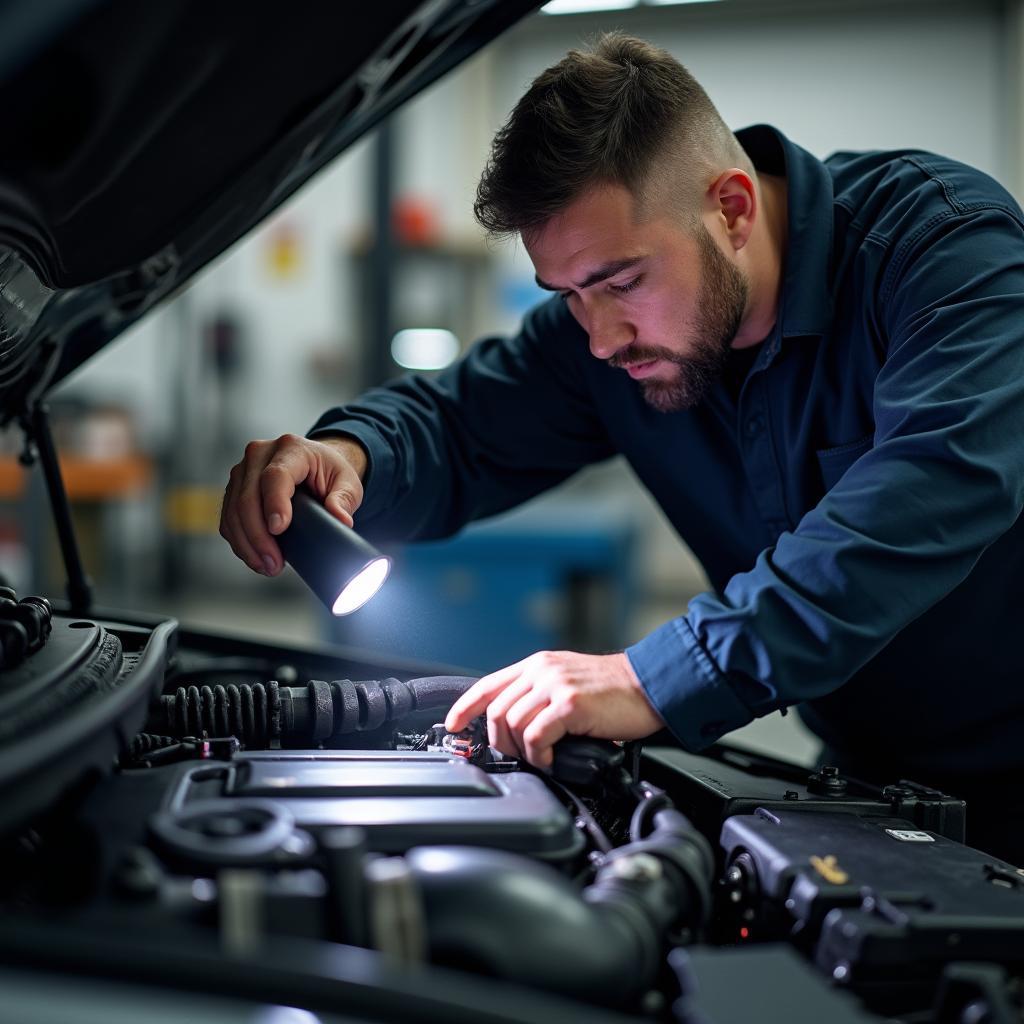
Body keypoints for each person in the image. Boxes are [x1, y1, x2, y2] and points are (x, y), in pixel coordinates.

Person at [220, 35, 1024, 861]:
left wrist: (652, 675)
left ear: (733, 208)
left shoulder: (945, 253)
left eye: (622, 281)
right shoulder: (605, 340)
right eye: (568, 295)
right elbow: (462, 424)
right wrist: (353, 455)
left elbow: (933, 487)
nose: (600, 338)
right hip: (871, 773)